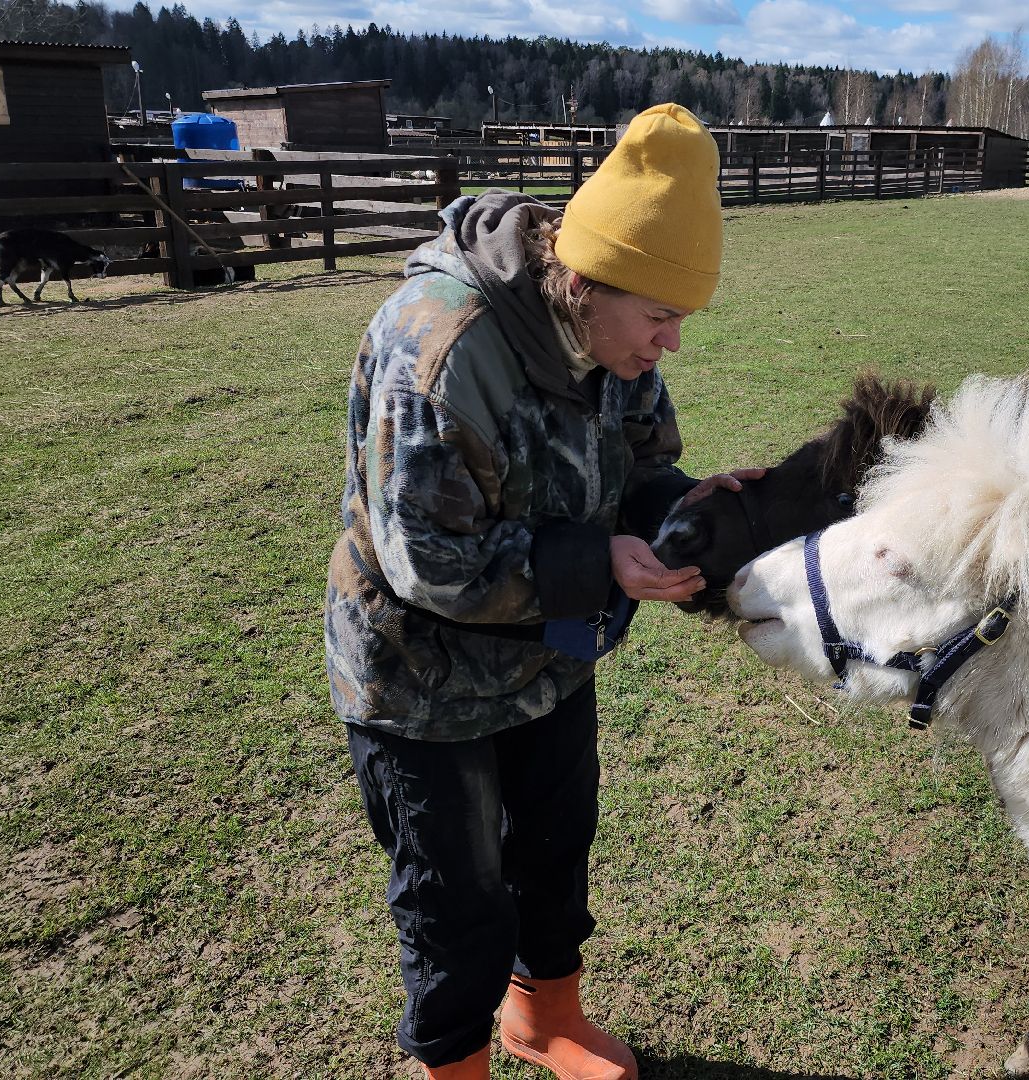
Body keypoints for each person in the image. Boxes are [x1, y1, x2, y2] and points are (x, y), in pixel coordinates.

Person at [325, 103, 759, 1080]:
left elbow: (642, 464)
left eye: (681, 319)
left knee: (555, 850)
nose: (671, 343)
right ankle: (457, 1068)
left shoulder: (615, 343)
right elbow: (428, 561)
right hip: (421, 681)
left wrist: (687, 514)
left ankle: (544, 1018)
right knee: (454, 897)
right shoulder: (440, 347)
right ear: (586, 280)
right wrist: (597, 562)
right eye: (660, 316)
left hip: (549, 657)